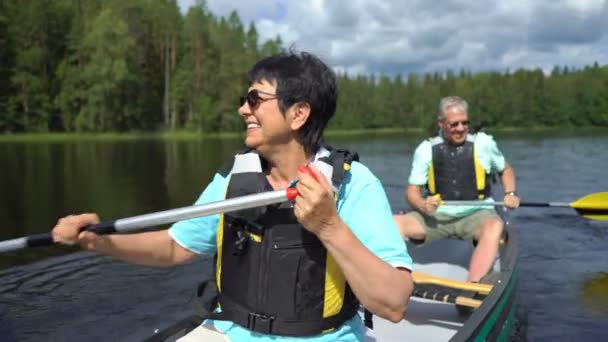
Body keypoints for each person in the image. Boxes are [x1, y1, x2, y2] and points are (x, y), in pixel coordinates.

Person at [52, 50, 414, 341]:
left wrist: (330, 226)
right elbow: (175, 247)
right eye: (245, 99)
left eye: (255, 99)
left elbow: (394, 303)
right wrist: (98, 241)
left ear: (299, 114)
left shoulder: (353, 186)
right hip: (232, 332)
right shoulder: (234, 179)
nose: (244, 109)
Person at [393, 96, 520, 283]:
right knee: (395, 223)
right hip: (436, 217)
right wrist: (422, 204)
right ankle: (395, 279)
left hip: (477, 213)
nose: (460, 128)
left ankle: (473, 285)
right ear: (441, 123)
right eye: (454, 124)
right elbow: (411, 193)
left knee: (494, 226)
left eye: (465, 123)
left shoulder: (484, 144)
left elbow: (505, 169)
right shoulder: (426, 149)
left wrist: (510, 193)